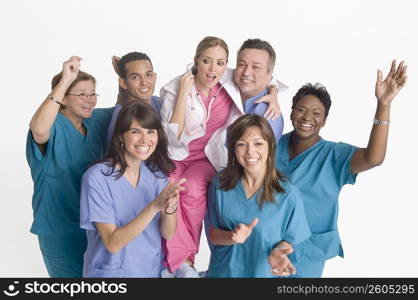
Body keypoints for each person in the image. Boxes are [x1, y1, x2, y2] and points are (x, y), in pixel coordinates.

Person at [275, 60, 408, 277]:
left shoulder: (333, 155)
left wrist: (383, 105)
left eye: (316, 113)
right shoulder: (270, 145)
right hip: (264, 245)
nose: (308, 117)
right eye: (301, 110)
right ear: (291, 113)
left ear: (324, 121)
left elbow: (373, 158)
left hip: (306, 254)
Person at [26, 56, 113, 277]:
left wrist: (124, 73)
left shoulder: (95, 121)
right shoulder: (52, 125)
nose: (90, 100)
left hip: (94, 227)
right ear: (62, 98)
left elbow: (126, 111)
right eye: (82, 94)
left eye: (92, 93)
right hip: (59, 230)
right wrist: (65, 80)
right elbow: (38, 130)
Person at [80, 100, 186, 277]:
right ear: (121, 136)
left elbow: (167, 233)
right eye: (135, 132)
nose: (145, 140)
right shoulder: (97, 177)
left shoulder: (157, 177)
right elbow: (112, 242)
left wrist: (170, 208)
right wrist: (154, 207)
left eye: (151, 132)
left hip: (148, 270)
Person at [206, 114, 311, 277]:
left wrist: (278, 253)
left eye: (258, 143)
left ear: (270, 146)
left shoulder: (288, 194)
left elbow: (289, 240)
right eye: (242, 144)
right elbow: (213, 234)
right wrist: (232, 236)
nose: (250, 152)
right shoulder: (220, 184)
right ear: (233, 149)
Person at [234, 38, 286, 142]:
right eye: (242, 65)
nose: (246, 73)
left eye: (256, 67)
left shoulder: (269, 116)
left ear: (269, 74)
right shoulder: (226, 85)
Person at [106, 52, 161, 143]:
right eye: (135, 77)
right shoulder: (121, 117)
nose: (144, 82)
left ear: (154, 77)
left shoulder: (159, 103)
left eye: (148, 75)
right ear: (123, 83)